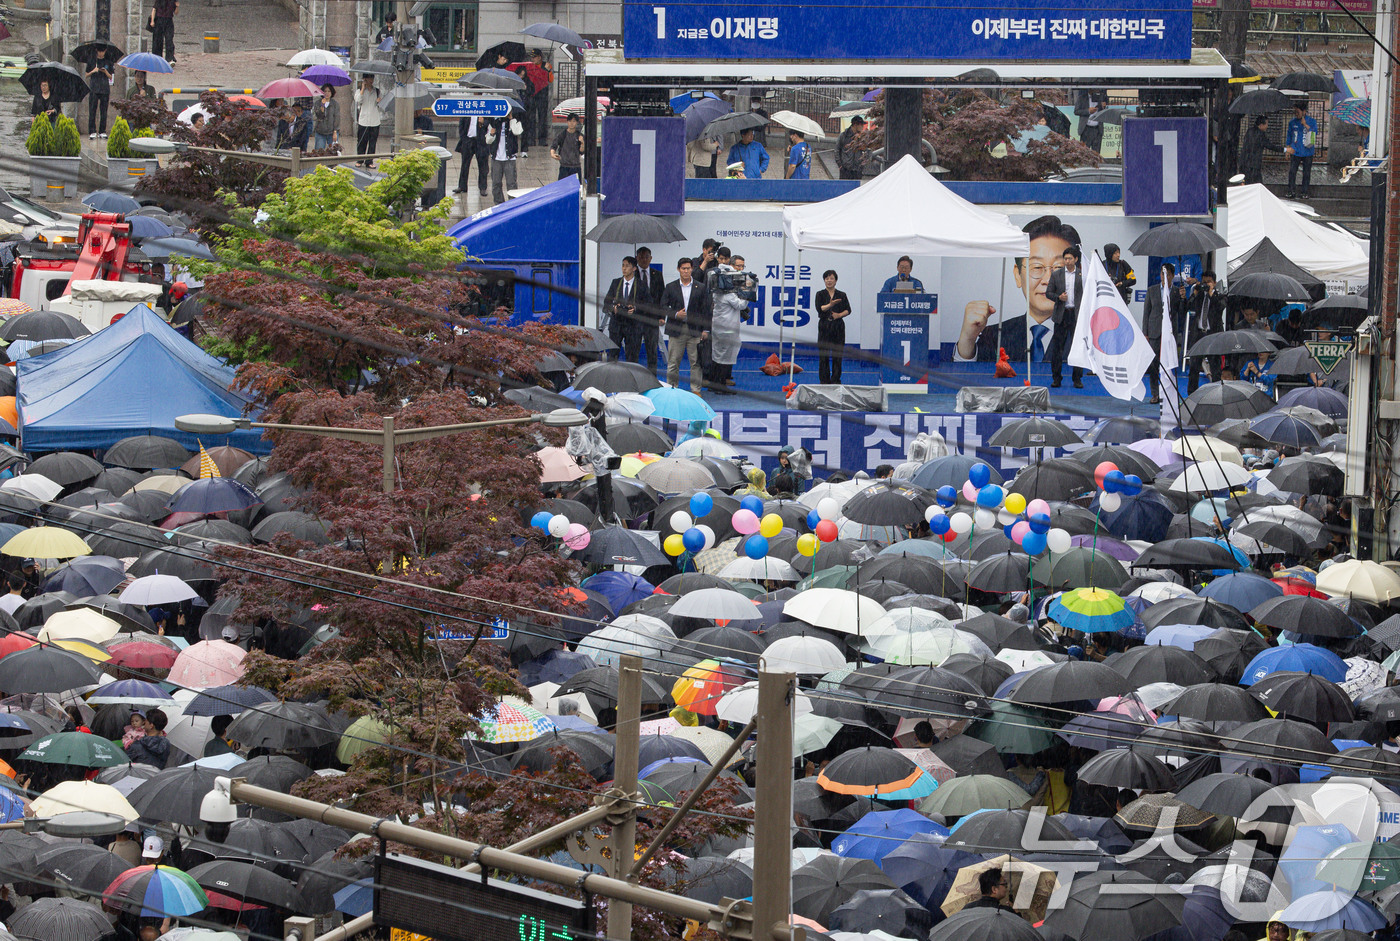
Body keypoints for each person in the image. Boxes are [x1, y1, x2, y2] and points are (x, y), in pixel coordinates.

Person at [958, 215, 1080, 364]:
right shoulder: (995, 337)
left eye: (1059, 268)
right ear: (1018, 275)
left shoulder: (1087, 337)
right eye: (1037, 267)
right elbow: (972, 382)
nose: (1048, 280)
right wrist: (967, 341)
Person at [661, 257, 712, 393]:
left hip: (695, 330)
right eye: (683, 268)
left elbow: (706, 310)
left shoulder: (700, 287)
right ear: (678, 270)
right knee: (673, 362)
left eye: (688, 268)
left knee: (695, 362)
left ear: (692, 269)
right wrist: (676, 314)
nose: (686, 271)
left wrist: (706, 329)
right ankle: (672, 389)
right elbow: (663, 307)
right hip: (676, 329)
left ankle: (696, 390)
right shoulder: (671, 287)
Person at [707, 248, 755, 392]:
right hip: (727, 328)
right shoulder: (727, 295)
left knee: (717, 355)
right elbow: (740, 305)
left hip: (719, 327)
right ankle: (720, 386)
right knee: (724, 357)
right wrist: (748, 293)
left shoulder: (718, 292)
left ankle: (714, 384)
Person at [1142, 262, 1183, 404]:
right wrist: (1145, 333)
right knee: (1153, 365)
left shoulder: (1177, 292)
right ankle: (1154, 393)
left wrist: (1183, 298)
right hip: (1154, 332)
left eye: (1167, 274)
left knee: (1170, 365)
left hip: (1170, 333)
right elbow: (1146, 312)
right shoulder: (1152, 290)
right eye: (1161, 274)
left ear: (1172, 275)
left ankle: (1169, 393)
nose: (1164, 277)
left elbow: (1181, 311)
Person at [1045, 245, 1085, 388]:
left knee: (1078, 348)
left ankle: (1077, 378)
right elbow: (1048, 292)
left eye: (1070, 258)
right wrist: (1058, 297)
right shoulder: (1057, 274)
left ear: (1076, 259)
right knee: (1057, 349)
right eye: (1065, 258)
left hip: (1077, 315)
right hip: (1061, 315)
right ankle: (1056, 378)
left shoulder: (1083, 275)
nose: (1067, 261)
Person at [1186, 271, 1227, 393]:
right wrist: (1195, 293)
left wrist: (1210, 294)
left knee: (1215, 367)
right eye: (1204, 282)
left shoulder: (1220, 296)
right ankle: (1191, 394)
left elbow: (1220, 307)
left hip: (1213, 336)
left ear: (1214, 283)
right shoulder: (1199, 295)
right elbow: (1188, 306)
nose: (1206, 284)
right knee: (1194, 367)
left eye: (1209, 282)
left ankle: (1215, 393)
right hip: (1198, 334)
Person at [632, 247, 665, 372]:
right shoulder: (632, 274)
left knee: (652, 351)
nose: (644, 259)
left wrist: (662, 316)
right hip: (635, 319)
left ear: (651, 258)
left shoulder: (657, 275)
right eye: (641, 257)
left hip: (652, 319)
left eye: (646, 257)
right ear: (636, 258)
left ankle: (652, 379)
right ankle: (633, 378)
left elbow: (662, 297)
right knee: (633, 351)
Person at [815, 269, 851, 383]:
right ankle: (824, 380)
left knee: (837, 355)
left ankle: (835, 379)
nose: (829, 281)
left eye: (831, 278)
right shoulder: (820, 294)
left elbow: (848, 310)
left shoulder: (842, 294)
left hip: (838, 326)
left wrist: (839, 315)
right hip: (824, 326)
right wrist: (830, 304)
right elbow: (820, 308)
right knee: (823, 355)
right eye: (827, 279)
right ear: (824, 281)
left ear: (836, 281)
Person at [604, 256, 641, 362]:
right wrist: (613, 308)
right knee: (613, 355)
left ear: (634, 268)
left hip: (633, 325)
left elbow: (648, 304)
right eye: (623, 265)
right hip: (616, 324)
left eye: (627, 266)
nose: (624, 268)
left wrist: (635, 309)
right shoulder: (616, 283)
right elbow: (606, 303)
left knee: (632, 356)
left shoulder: (640, 285)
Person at [487, 110, 525, 204]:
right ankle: (498, 204)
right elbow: (488, 140)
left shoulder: (515, 121)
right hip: (496, 158)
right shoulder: (494, 123)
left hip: (509, 158)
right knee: (496, 184)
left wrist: (511, 119)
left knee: (511, 184)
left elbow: (517, 132)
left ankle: (512, 204)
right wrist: (492, 134)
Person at [1285, 102, 1318, 198]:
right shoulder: (1292, 122)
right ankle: (1291, 190)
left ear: (1304, 112)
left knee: (1306, 172)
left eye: (1298, 112)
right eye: (1295, 112)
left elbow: (1315, 132)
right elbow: (1289, 136)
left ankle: (1304, 191)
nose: (1296, 114)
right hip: (1295, 150)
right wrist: (1288, 148)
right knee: (1292, 171)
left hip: (1307, 151)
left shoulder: (1311, 121)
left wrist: (1306, 125)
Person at [1240, 114, 1283, 186]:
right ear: (1261, 125)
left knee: (1247, 184)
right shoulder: (1261, 135)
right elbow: (1270, 146)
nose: (1267, 126)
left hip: (1245, 162)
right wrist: (1284, 150)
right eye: (1266, 124)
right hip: (1254, 164)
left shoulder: (1249, 131)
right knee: (1258, 185)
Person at [456, 115, 489, 197]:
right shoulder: (468, 110)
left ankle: (482, 187)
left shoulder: (485, 109)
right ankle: (462, 186)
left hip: (481, 142)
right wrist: (464, 139)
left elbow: (490, 123)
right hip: (468, 140)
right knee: (465, 165)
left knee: (483, 166)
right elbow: (461, 125)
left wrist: (483, 122)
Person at [85, 46, 114, 139]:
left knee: (104, 111)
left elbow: (111, 77)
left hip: (104, 89)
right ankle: (92, 130)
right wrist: (94, 71)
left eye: (103, 51)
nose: (101, 53)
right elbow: (86, 75)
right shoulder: (91, 60)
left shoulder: (108, 62)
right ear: (96, 50)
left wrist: (105, 71)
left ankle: (102, 131)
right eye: (99, 51)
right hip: (94, 88)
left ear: (105, 51)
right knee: (92, 110)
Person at [353, 76, 381, 167]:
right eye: (369, 78)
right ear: (365, 79)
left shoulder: (377, 91)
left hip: (374, 120)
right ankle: (360, 160)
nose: (371, 81)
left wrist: (379, 101)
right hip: (363, 121)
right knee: (361, 142)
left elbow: (381, 104)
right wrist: (363, 88)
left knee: (372, 142)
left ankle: (369, 161)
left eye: (372, 78)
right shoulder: (359, 91)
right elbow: (358, 100)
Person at [550, 113, 583, 180]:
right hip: (564, 166)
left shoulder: (579, 135)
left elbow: (582, 151)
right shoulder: (562, 135)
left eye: (574, 121)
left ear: (576, 122)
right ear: (567, 122)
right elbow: (554, 145)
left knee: (577, 187)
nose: (571, 123)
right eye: (570, 121)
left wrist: (582, 143)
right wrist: (552, 154)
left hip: (576, 166)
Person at [836, 115, 866, 180]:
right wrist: (840, 165)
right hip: (845, 169)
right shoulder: (844, 135)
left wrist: (862, 165)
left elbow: (867, 150)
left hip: (857, 170)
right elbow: (837, 150)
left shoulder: (862, 137)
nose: (863, 127)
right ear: (855, 125)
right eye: (861, 125)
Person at [311, 84, 339, 151]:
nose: (327, 93)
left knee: (333, 151)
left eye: (329, 91)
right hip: (320, 131)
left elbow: (337, 118)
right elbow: (319, 116)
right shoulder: (318, 103)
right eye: (325, 91)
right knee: (319, 151)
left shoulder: (335, 104)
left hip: (331, 131)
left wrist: (335, 132)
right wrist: (322, 106)